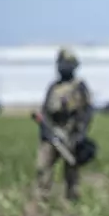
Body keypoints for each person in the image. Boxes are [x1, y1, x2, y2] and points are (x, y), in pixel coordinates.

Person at [36, 47, 93, 201]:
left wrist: (80, 134)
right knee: (43, 166)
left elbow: (87, 111)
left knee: (71, 171)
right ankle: (43, 198)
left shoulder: (79, 86)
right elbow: (45, 111)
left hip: (71, 134)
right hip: (52, 133)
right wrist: (45, 132)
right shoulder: (53, 87)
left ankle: (72, 199)